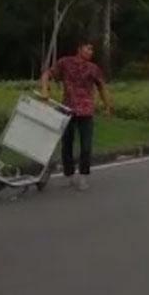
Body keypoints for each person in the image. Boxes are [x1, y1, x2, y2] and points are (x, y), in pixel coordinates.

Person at [40, 40, 111, 191]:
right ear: (79, 49)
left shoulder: (93, 68)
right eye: (88, 49)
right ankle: (69, 176)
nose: (91, 52)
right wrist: (45, 91)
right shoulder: (65, 62)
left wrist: (107, 106)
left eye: (92, 50)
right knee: (67, 145)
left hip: (86, 111)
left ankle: (83, 177)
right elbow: (47, 74)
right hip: (68, 109)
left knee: (86, 146)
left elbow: (102, 87)